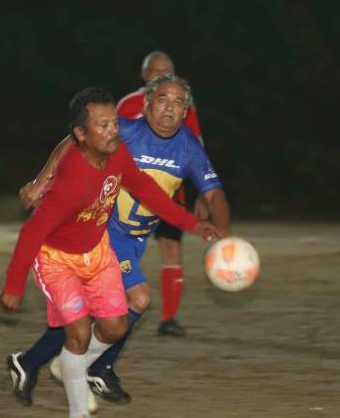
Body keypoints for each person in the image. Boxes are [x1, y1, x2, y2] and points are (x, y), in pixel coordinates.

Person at [13, 74, 231, 407]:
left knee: (91, 312)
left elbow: (214, 195)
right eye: (162, 99)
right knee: (138, 298)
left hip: (137, 239)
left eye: (178, 103)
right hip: (103, 232)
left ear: (186, 111)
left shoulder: (189, 147)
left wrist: (225, 238)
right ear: (147, 103)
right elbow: (72, 141)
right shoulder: (126, 131)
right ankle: (93, 367)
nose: (169, 108)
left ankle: (31, 362)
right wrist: (42, 181)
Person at [116, 51, 205, 336]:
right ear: (145, 75)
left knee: (171, 248)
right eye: (155, 71)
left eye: (167, 71)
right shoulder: (128, 104)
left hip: (170, 192)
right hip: (128, 193)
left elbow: (196, 148)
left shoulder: (184, 106)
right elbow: (108, 146)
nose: (161, 75)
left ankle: (169, 319)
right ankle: (111, 307)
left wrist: (201, 193)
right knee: (122, 249)